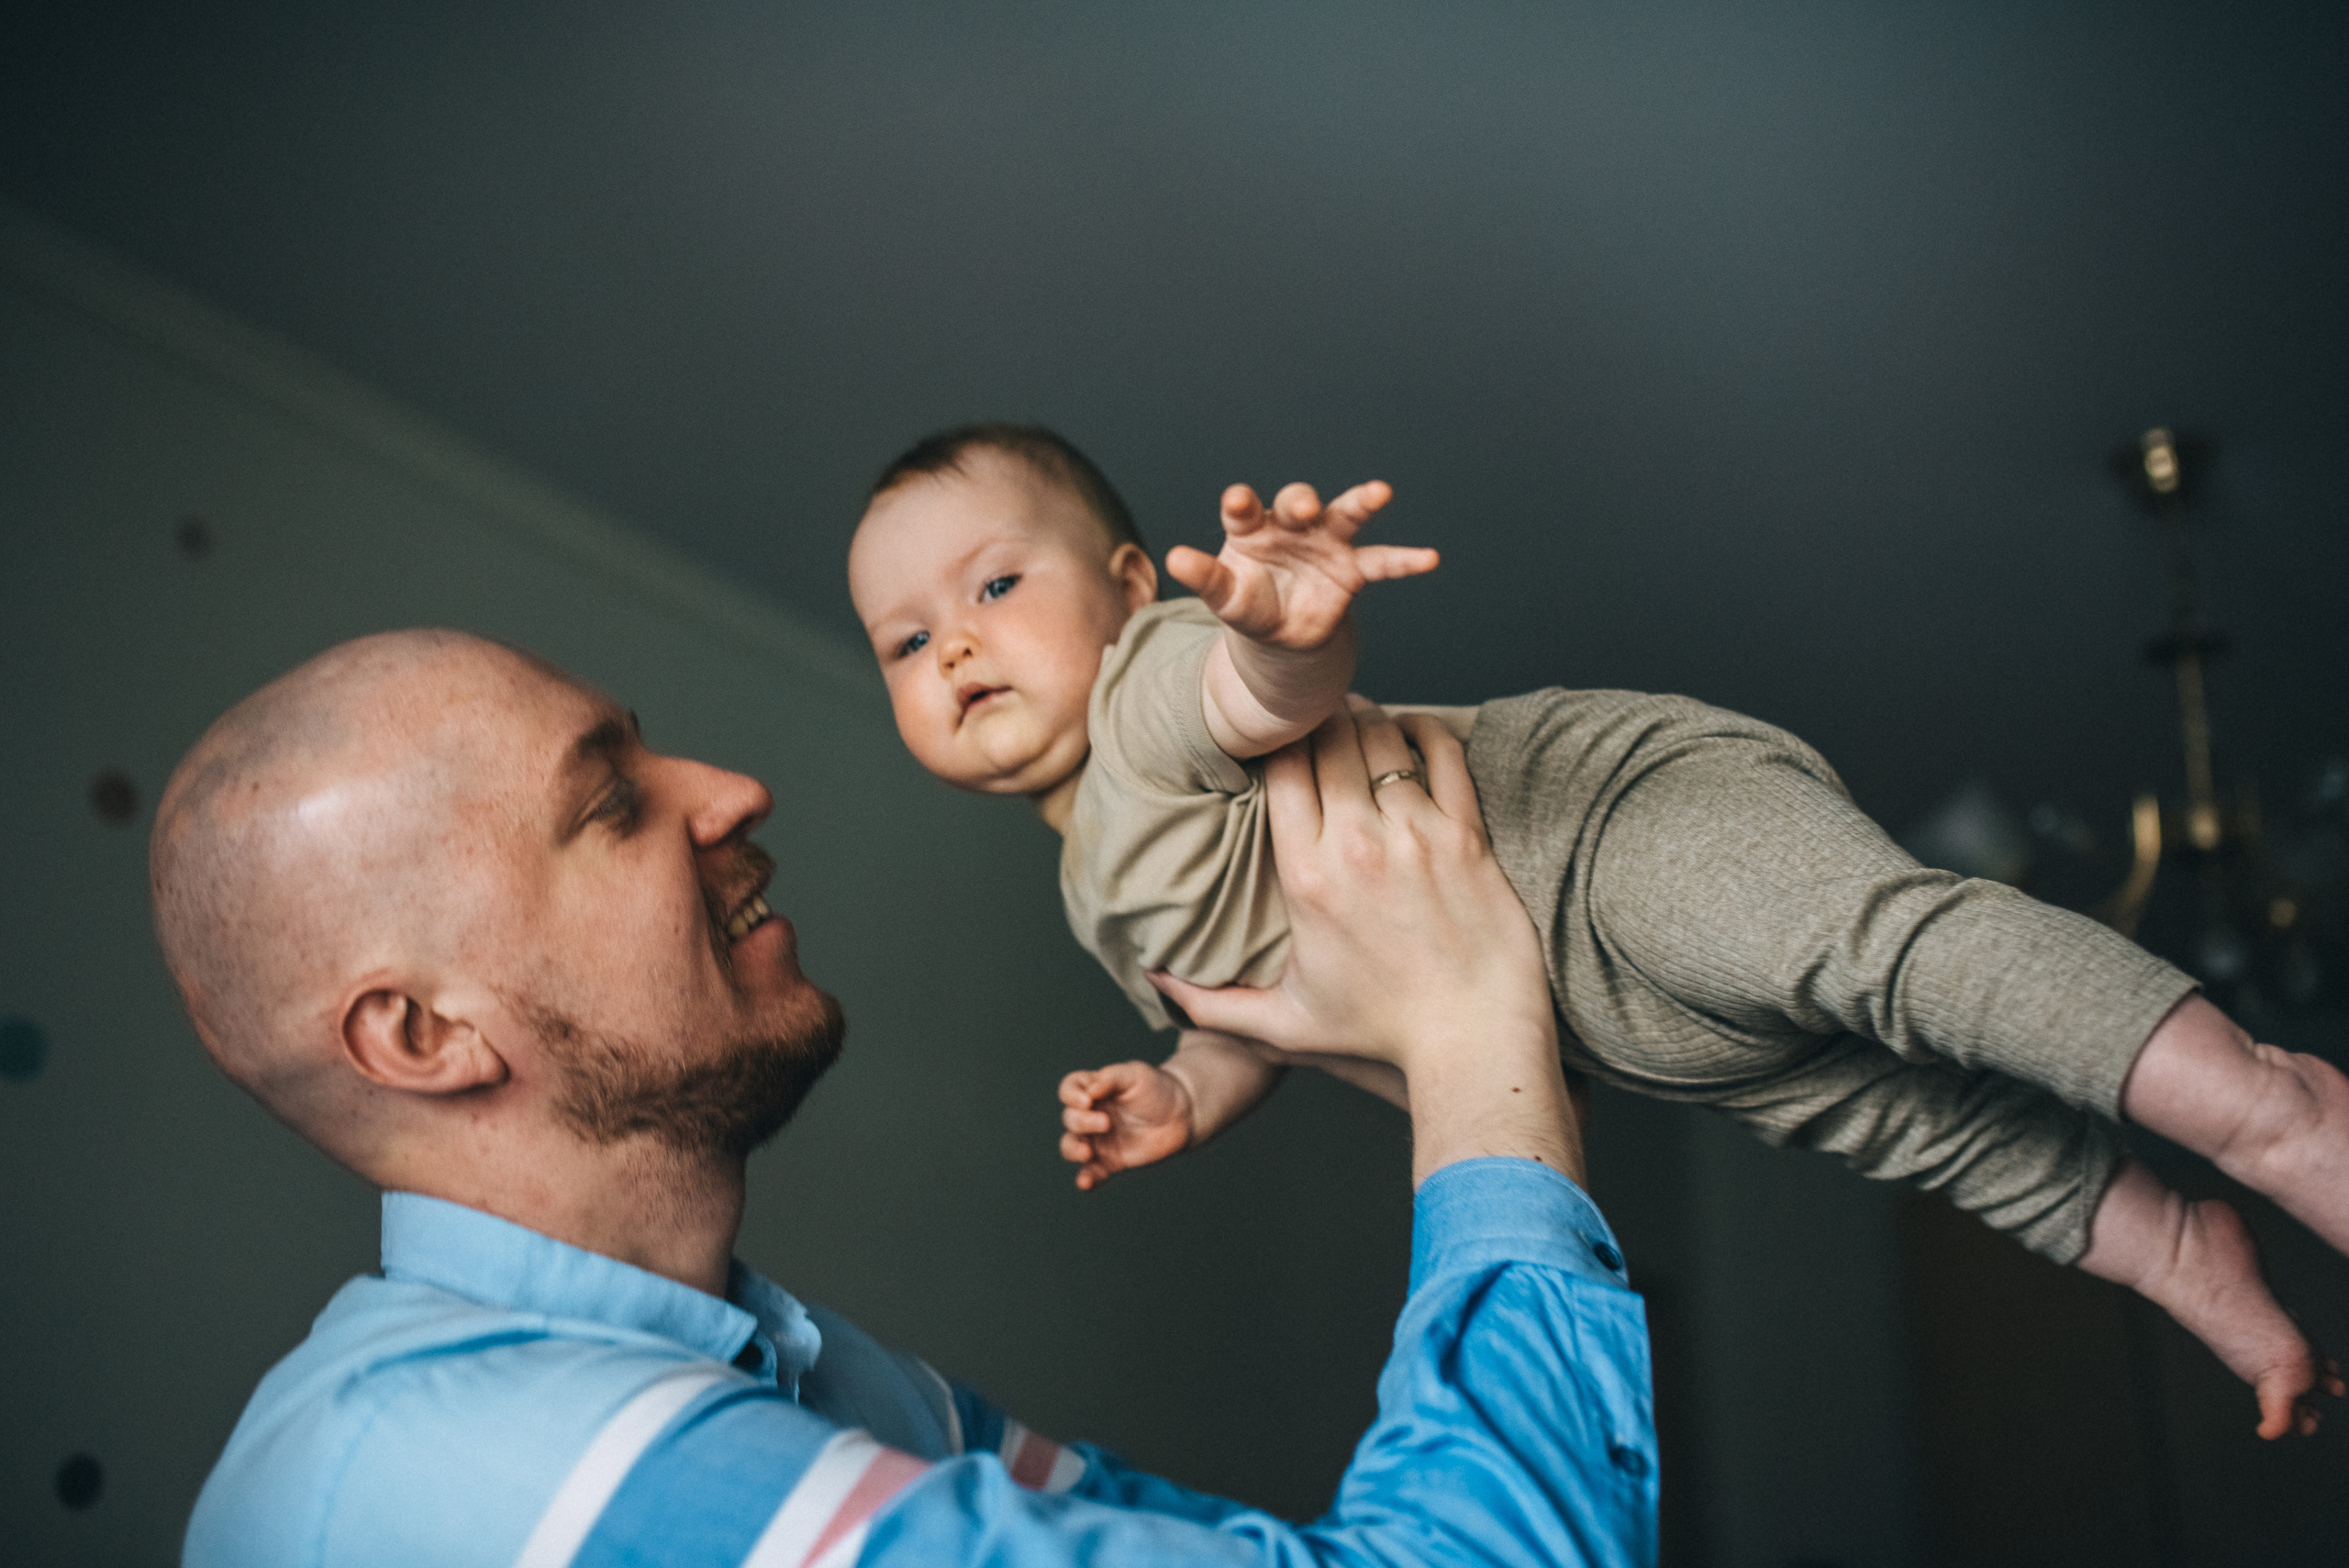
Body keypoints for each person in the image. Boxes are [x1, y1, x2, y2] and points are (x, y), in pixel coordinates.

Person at [846, 423, 2349, 1440]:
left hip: (1599, 836)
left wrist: (1277, 624)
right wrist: (1185, 1089)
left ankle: (2269, 1107)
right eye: (908, 639)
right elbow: (1240, 1014)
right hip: (1606, 1028)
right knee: (1898, 1119)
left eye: (992, 583)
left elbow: (1254, 700)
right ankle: (2163, 1239)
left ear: (1124, 591)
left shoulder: (1146, 692)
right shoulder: (1090, 884)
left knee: (1898, 958)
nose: (957, 640)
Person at [156, 628, 1655, 1567]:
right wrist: (1471, 1029)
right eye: (611, 800)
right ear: (422, 1034)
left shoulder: (824, 1381)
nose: (729, 789)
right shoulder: (456, 1476)